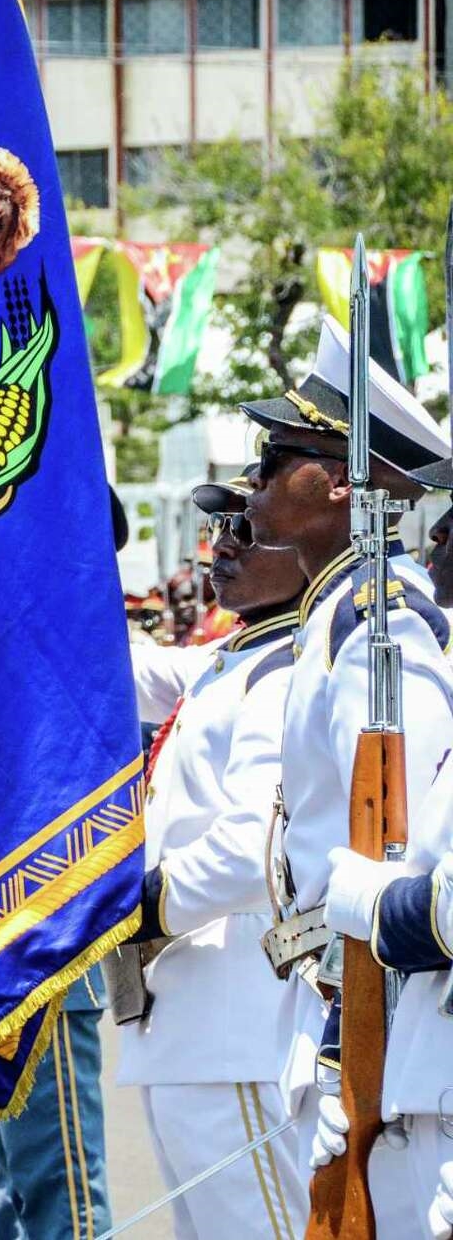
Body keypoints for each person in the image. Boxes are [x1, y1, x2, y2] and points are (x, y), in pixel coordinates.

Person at [239, 315, 453, 1234]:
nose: (251, 483)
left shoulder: (383, 623)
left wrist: (352, 1040)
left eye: (271, 457)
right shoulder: (335, 618)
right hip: (335, 999)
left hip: (374, 1008)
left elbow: (401, 846)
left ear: (338, 483)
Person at [114, 471, 308, 1239]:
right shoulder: (236, 656)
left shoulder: (288, 665)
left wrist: (131, 906)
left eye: (246, 532)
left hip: (235, 1023)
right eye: (218, 531)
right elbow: (126, 672)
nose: (220, 548)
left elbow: (247, 849)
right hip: (191, 1025)